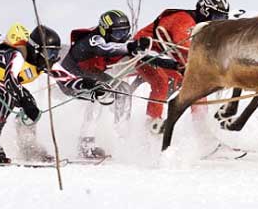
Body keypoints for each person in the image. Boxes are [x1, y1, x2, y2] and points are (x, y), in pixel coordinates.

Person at [0, 25, 108, 163]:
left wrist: (91, 86)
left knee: (31, 107)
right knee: (10, 95)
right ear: (36, 49)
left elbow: (68, 80)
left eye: (55, 54)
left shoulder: (44, 62)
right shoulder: (17, 55)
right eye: (49, 53)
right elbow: (11, 80)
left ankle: (27, 146)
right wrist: (25, 102)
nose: (52, 58)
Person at [61, 10, 177, 157]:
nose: (121, 38)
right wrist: (130, 47)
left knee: (123, 89)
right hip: (70, 79)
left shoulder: (120, 44)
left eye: (125, 32)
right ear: (105, 30)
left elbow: (144, 57)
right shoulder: (94, 39)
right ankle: (85, 145)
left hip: (91, 75)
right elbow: (104, 49)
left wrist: (173, 65)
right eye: (117, 34)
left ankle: (122, 134)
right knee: (98, 97)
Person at [134, 0, 230, 133]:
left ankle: (203, 134)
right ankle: (152, 124)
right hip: (142, 53)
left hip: (166, 57)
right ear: (205, 11)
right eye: (217, 17)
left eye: (223, 18)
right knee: (161, 82)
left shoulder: (200, 26)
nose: (219, 23)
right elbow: (185, 46)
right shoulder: (184, 20)